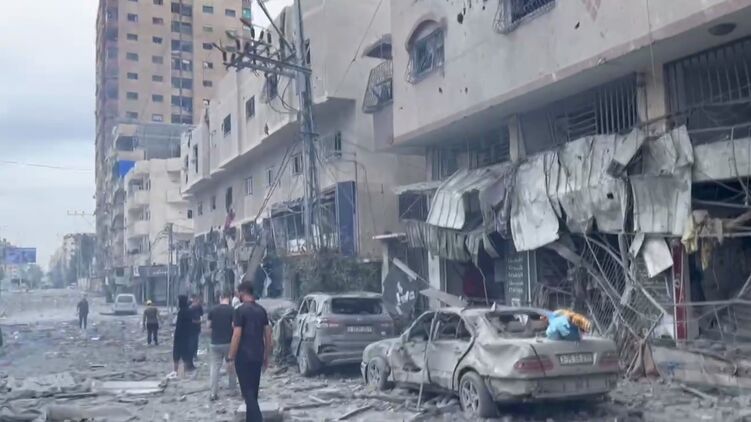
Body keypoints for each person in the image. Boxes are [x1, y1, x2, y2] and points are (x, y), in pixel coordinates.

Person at [229, 282, 272, 422]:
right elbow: (268, 334)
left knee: (248, 394)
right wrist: (266, 355)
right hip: (258, 354)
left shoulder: (239, 311)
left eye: (238, 293)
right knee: (253, 392)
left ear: (242, 293)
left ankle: (257, 419)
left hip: (243, 356)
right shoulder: (261, 311)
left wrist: (231, 357)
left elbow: (236, 335)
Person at [207, 291, 237, 401]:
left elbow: (208, 326)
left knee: (214, 368)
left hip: (215, 343)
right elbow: (234, 326)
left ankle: (213, 393)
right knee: (231, 365)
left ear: (220, 298)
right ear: (229, 298)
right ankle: (232, 390)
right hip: (228, 342)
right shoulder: (232, 310)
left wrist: (212, 337)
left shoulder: (212, 310)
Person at [173, 295, 196, 373]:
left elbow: (179, 326)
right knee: (185, 355)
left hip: (180, 337)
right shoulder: (189, 311)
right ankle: (183, 372)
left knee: (176, 356)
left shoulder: (181, 312)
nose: (177, 303)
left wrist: (176, 336)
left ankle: (176, 372)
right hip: (187, 337)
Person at [189, 294, 204, 359]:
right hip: (193, 326)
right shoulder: (191, 307)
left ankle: (193, 354)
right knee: (193, 341)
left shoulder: (197, 307)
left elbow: (201, 314)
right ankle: (193, 354)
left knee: (194, 340)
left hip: (195, 326)